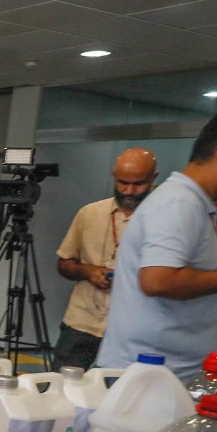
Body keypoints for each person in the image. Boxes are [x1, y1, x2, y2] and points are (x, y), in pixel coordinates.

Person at [96, 110, 217, 380]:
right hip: (147, 381)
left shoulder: (191, 203)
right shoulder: (179, 203)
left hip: (163, 377)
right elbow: (158, 280)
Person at [52, 148, 158, 369]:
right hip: (82, 323)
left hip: (131, 330)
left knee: (118, 396)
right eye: (122, 183)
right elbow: (64, 264)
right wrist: (88, 272)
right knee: (59, 389)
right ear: (113, 177)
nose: (129, 191)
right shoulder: (89, 214)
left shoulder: (161, 219)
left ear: (153, 179)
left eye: (138, 184)